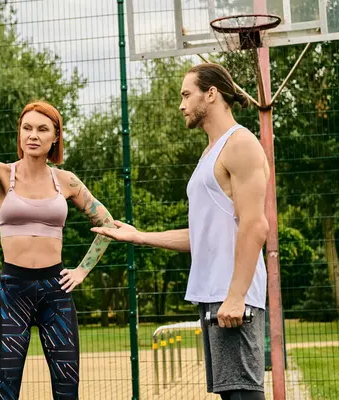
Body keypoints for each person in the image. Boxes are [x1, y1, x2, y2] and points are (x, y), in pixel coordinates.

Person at [92, 63, 270, 400]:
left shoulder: (240, 143)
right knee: (231, 394)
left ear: (212, 94)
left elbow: (255, 225)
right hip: (213, 294)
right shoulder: (210, 153)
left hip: (233, 294)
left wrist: (236, 296)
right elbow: (202, 236)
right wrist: (139, 235)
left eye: (187, 94)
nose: (181, 104)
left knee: (244, 394)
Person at [0, 100, 116, 400]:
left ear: (55, 137)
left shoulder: (66, 181)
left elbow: (107, 224)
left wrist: (81, 271)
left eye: (42, 129)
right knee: (5, 391)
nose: (33, 135)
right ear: (19, 135)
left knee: (67, 391)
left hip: (56, 292)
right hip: (13, 291)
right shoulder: (1, 175)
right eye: (27, 128)